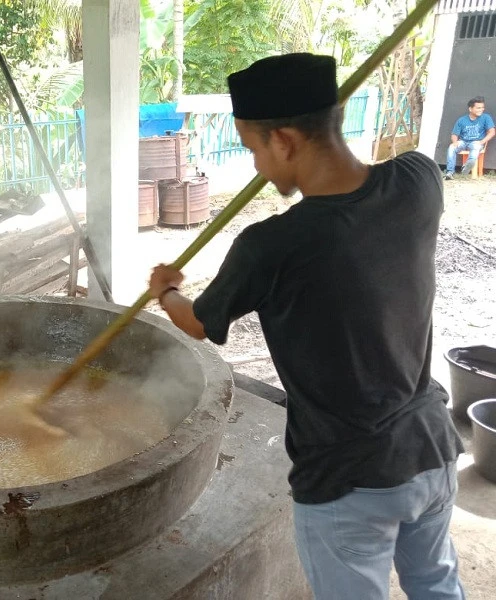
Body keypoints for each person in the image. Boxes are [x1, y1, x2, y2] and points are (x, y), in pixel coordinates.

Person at [149, 53, 465, 600]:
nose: (255, 168)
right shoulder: (419, 182)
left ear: (286, 141)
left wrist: (166, 290)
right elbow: (389, 175)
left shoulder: (271, 246)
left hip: (348, 479)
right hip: (430, 449)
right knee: (438, 587)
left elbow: (199, 324)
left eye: (252, 149)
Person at [444, 96, 494, 179]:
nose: (481, 109)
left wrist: (482, 142)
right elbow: (454, 134)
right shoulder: (462, 120)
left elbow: (492, 132)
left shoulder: (486, 117)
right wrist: (455, 142)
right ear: (470, 109)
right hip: (463, 141)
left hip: (476, 142)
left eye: (482, 107)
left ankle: (467, 166)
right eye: (478, 108)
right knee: (451, 147)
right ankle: (450, 173)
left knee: (475, 148)